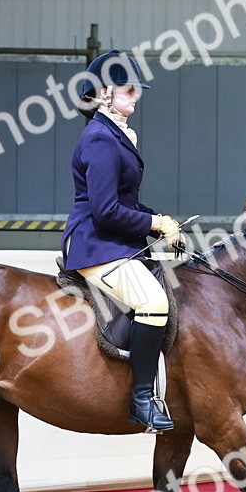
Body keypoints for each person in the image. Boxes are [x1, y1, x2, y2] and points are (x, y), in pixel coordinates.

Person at [61, 49, 182, 433]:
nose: (136, 94)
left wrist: (160, 222)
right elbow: (105, 211)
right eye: (128, 89)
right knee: (153, 302)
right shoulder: (99, 138)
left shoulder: (115, 135)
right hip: (95, 243)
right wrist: (154, 222)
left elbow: (125, 202)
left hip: (114, 241)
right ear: (104, 93)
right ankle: (142, 401)